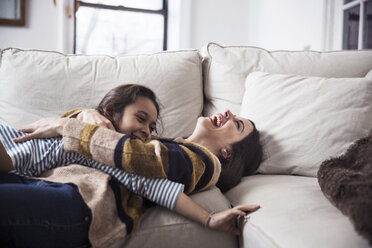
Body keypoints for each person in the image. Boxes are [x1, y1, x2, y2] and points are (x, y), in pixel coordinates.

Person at [0, 84, 263, 247]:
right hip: (44, 180)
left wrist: (67, 125)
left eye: (236, 124)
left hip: (79, 202)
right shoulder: (164, 143)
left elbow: (148, 173)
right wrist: (85, 114)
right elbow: (78, 137)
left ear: (228, 152)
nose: (228, 113)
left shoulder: (202, 163)